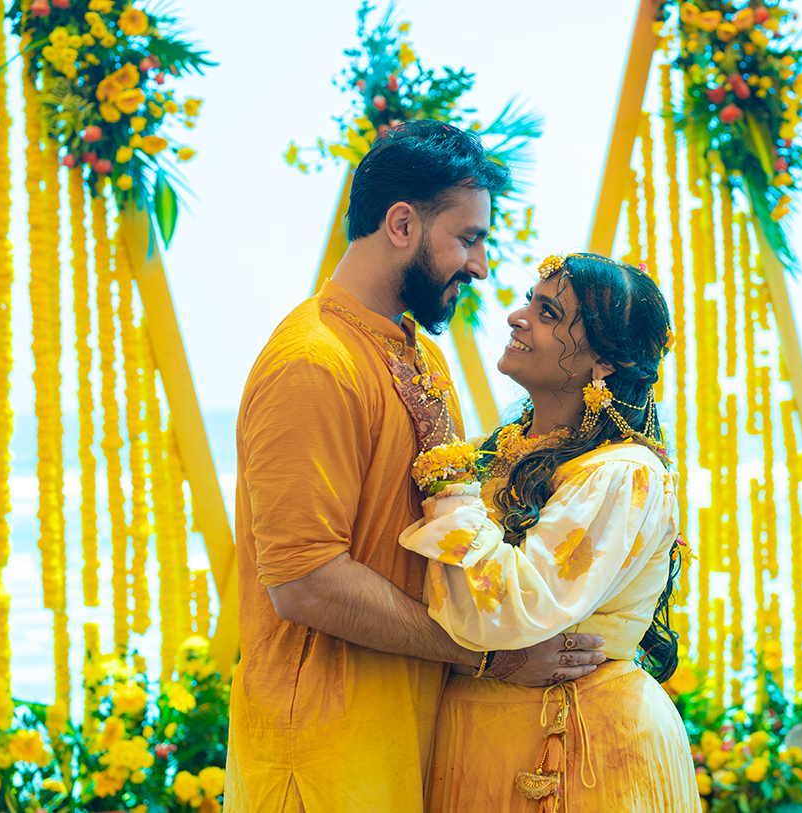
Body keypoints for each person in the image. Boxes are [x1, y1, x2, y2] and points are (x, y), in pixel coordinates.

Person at [224, 122, 607, 813]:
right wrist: (489, 656)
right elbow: (305, 582)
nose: (483, 266)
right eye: (468, 238)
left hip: (400, 750)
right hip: (317, 767)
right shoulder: (313, 363)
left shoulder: (417, 355)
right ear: (402, 224)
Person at [395, 252, 701, 812]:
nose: (517, 316)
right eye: (529, 301)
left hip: (580, 753)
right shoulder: (506, 453)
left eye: (548, 311)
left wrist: (447, 476)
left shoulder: (622, 473)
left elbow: (508, 608)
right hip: (479, 742)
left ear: (603, 361)